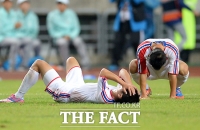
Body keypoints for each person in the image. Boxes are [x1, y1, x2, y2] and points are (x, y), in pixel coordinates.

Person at [0, 57, 139, 103]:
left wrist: (123, 83)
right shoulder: (119, 94)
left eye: (121, 89)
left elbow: (103, 72)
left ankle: (18, 97)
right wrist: (129, 85)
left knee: (39, 63)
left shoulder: (105, 97)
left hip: (65, 93)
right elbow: (123, 72)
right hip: (78, 86)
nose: (119, 87)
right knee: (71, 60)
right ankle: (54, 76)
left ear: (120, 94)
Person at [47, 0, 90, 68]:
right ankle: (67, 64)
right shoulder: (52, 15)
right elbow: (51, 31)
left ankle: (86, 63)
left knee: (78, 41)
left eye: (62, 4)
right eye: (59, 4)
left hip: (72, 36)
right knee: (62, 42)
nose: (61, 5)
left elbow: (76, 28)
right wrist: (63, 35)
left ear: (66, 5)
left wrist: (70, 35)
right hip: (59, 37)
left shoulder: (71, 14)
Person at [108, 0, 147, 71]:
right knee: (117, 41)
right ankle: (115, 62)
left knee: (136, 42)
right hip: (122, 21)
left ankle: (141, 63)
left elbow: (138, 2)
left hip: (136, 22)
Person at [16, 0, 41, 69]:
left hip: (31, 38)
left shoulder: (33, 16)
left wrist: (29, 37)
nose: (25, 5)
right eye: (23, 3)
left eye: (27, 3)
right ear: (20, 5)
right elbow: (14, 30)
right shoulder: (15, 15)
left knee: (37, 43)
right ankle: (24, 64)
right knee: (26, 42)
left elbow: (35, 30)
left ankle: (36, 64)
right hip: (18, 38)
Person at [0, 0, 20, 71]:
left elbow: (16, 28)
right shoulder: (1, 13)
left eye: (9, 2)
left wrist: (17, 27)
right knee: (15, 42)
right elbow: (2, 30)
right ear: (3, 3)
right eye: (6, 2)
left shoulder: (13, 13)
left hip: (12, 37)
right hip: (2, 38)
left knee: (22, 41)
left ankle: (17, 65)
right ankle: (11, 66)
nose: (8, 3)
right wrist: (13, 26)